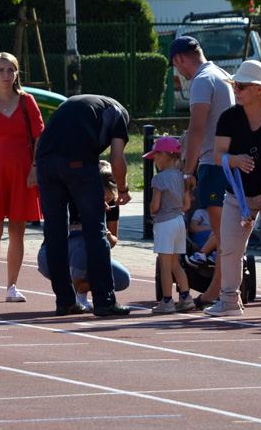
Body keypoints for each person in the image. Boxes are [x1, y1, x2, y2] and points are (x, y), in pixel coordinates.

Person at [205, 60, 261, 317]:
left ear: (259, 89)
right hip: (238, 195)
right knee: (230, 247)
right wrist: (235, 160)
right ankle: (230, 300)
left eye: (242, 86)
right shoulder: (229, 116)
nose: (237, 90)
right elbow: (217, 154)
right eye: (235, 85)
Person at [36, 94, 133, 317]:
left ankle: (65, 301)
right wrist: (124, 189)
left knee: (54, 231)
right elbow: (117, 158)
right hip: (77, 160)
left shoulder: (72, 104)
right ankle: (105, 301)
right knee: (95, 229)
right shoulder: (119, 114)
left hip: (45, 161)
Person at [168, 36, 235, 309]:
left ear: (179, 59)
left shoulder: (201, 80)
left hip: (212, 163)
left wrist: (187, 171)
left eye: (177, 68)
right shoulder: (221, 74)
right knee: (226, 233)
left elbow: (197, 128)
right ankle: (223, 290)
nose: (180, 74)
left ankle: (221, 292)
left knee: (223, 233)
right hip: (226, 162)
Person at [0, 53, 44, 304]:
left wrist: (35, 167)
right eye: (1, 70)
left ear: (16, 74)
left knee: (17, 230)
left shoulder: (27, 101)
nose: (5, 75)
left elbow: (39, 137)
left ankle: (12, 286)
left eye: (10, 70)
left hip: (23, 172)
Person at [36, 161, 131, 311]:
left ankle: (81, 289)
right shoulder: (73, 200)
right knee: (84, 240)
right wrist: (88, 228)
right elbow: (58, 229)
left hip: (87, 258)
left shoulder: (111, 205)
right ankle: (72, 299)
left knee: (122, 279)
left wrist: (106, 236)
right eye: (102, 198)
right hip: (53, 258)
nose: (106, 203)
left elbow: (112, 241)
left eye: (109, 199)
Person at [143, 136, 193, 314]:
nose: (154, 160)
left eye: (155, 157)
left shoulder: (159, 179)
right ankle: (186, 297)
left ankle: (167, 301)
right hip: (180, 221)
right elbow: (186, 205)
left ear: (164, 155)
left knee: (164, 265)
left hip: (165, 223)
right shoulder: (182, 177)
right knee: (175, 264)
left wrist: (151, 210)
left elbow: (155, 205)